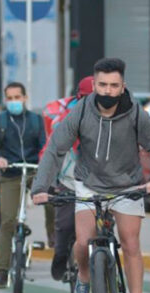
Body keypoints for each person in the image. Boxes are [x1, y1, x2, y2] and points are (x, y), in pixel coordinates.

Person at [32, 58, 150, 293]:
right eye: (103, 85)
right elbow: (55, 149)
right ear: (94, 85)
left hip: (126, 186)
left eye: (114, 85)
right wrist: (40, 187)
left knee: (131, 244)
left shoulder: (135, 114)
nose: (108, 91)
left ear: (123, 87)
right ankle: (83, 278)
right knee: (82, 242)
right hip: (89, 184)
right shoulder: (81, 112)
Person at [0, 82, 46, 289]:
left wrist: (45, 164)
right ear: (5, 100)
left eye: (17, 97)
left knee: (54, 199)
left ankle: (54, 236)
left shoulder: (36, 121)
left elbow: (45, 147)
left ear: (25, 98)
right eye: (10, 98)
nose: (14, 101)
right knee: (7, 220)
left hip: (34, 171)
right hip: (11, 173)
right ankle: (2, 271)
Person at [40, 75, 94, 281]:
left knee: (105, 226)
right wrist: (42, 185)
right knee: (65, 225)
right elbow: (50, 152)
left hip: (102, 184)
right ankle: (61, 255)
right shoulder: (65, 122)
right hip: (69, 181)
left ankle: (105, 267)